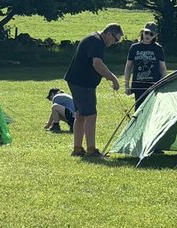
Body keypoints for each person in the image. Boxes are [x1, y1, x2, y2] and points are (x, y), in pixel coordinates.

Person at [63, 23, 124, 157]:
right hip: (82, 84)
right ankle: (91, 150)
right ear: (109, 34)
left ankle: (77, 148)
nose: (114, 43)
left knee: (80, 115)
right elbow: (97, 63)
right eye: (115, 39)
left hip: (77, 81)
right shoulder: (96, 41)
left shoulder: (94, 39)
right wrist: (113, 78)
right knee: (91, 115)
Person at [124, 26, 167, 107]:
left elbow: (162, 68)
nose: (148, 36)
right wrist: (126, 85)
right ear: (142, 32)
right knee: (139, 108)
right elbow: (128, 67)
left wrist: (165, 83)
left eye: (151, 34)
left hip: (154, 84)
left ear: (154, 36)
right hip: (138, 84)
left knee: (152, 108)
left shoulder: (158, 48)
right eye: (146, 32)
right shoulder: (134, 47)